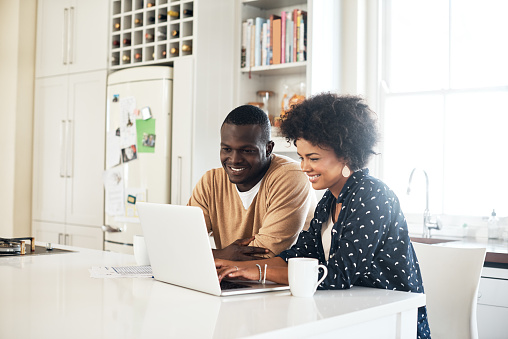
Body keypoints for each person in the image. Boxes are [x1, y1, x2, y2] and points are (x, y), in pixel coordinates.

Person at [215, 93, 431, 338]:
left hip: (388, 322)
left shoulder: (373, 196)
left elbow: (337, 275)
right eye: (301, 158)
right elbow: (296, 257)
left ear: (346, 155)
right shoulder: (329, 201)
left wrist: (256, 270)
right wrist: (234, 268)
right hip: (347, 314)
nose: (304, 167)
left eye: (313, 158)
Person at [188, 104, 316, 260]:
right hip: (235, 277)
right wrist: (223, 254)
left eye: (247, 151)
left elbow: (264, 253)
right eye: (227, 149)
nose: (234, 160)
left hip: (285, 281)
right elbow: (184, 243)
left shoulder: (290, 176)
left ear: (268, 148)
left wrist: (210, 256)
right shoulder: (211, 182)